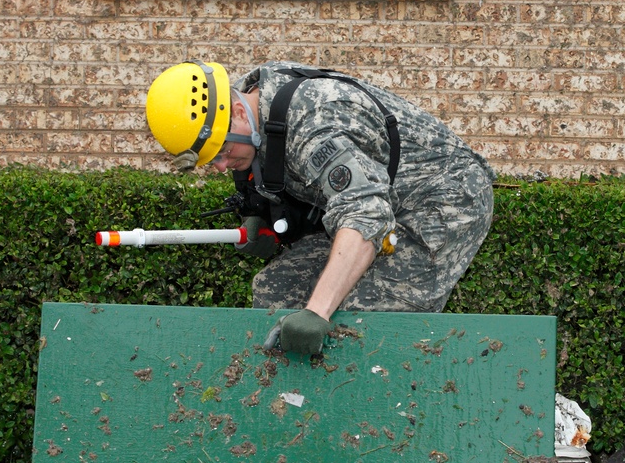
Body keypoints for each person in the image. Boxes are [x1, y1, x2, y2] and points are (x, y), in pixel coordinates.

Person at [145, 60, 495, 356]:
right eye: (210, 161)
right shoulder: (247, 105)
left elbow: (365, 213)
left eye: (221, 152)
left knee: (359, 314)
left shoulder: (312, 122)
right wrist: (266, 222)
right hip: (378, 197)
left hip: (443, 200)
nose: (220, 166)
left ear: (237, 112)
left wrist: (317, 312)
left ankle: (375, 422)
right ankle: (288, 410)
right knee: (275, 290)